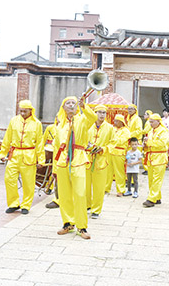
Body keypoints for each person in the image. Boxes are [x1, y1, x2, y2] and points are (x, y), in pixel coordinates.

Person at [54, 96, 97, 240]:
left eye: (73, 103)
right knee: (64, 195)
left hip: (78, 158)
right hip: (62, 161)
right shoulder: (60, 124)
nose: (71, 105)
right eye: (68, 103)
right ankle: (68, 223)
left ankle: (82, 226)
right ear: (63, 107)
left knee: (79, 193)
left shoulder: (82, 120)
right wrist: (55, 168)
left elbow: (93, 117)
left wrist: (84, 106)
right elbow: (56, 146)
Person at [0, 100, 45, 215]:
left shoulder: (37, 123)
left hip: (29, 155)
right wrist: (2, 153)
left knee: (28, 182)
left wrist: (41, 159)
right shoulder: (14, 121)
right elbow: (7, 138)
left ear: (30, 110)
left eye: (25, 111)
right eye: (21, 111)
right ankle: (13, 203)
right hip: (14, 155)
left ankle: (26, 205)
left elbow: (40, 142)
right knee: (9, 179)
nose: (22, 113)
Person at [86, 104, 114, 219]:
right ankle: (87, 205)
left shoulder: (110, 128)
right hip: (87, 160)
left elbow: (113, 143)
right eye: (99, 112)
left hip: (101, 161)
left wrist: (103, 149)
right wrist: (88, 146)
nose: (102, 115)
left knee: (99, 187)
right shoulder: (88, 126)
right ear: (95, 113)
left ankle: (96, 209)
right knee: (85, 186)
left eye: (104, 113)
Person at [142, 113, 169, 207]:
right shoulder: (150, 132)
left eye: (152, 122)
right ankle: (157, 197)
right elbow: (149, 144)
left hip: (160, 158)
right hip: (151, 158)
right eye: (150, 122)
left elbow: (162, 144)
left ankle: (151, 199)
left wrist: (149, 142)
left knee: (157, 179)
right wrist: (145, 145)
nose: (150, 124)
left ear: (158, 121)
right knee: (151, 179)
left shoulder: (163, 131)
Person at [105, 114, 131, 196]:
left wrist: (112, 140)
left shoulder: (126, 131)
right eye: (114, 120)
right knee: (108, 172)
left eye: (116, 121)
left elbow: (121, 141)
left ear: (121, 122)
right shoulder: (112, 129)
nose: (114, 122)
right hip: (110, 152)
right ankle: (106, 189)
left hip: (119, 153)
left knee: (119, 172)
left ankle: (120, 190)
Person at [141, 110, 153, 175]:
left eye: (145, 114)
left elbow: (146, 131)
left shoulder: (148, 122)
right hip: (147, 138)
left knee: (145, 154)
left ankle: (147, 169)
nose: (144, 115)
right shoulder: (148, 122)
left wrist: (139, 131)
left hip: (147, 138)